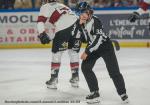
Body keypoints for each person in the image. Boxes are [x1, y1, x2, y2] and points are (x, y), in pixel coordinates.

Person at [75, 2, 129, 104]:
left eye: (82, 13)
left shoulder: (96, 21)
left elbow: (98, 39)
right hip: (93, 46)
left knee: (113, 72)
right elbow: (86, 39)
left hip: (105, 47)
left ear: (89, 12)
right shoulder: (81, 22)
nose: (80, 16)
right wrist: (80, 27)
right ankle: (94, 92)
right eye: (79, 14)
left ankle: (123, 93)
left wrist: (87, 51)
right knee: (86, 67)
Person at [37, 0, 80, 89]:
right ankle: (75, 78)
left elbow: (40, 21)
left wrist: (41, 33)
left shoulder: (45, 6)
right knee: (73, 52)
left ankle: (53, 79)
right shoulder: (62, 5)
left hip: (64, 28)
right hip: (78, 26)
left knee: (56, 53)